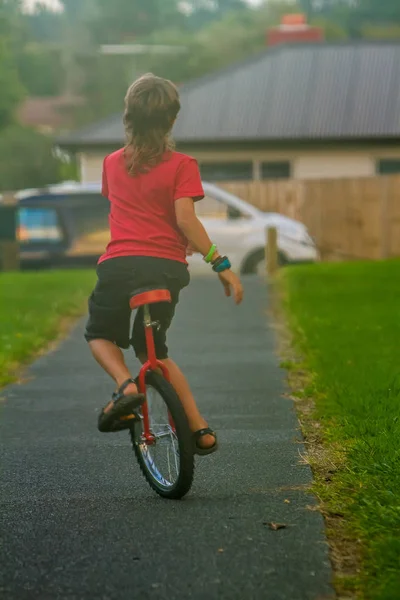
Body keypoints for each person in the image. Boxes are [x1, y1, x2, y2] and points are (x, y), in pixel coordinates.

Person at [85, 73, 243, 455]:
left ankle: (125, 387)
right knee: (153, 351)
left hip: (120, 266)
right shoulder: (183, 165)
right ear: (172, 119)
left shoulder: (110, 163)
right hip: (166, 270)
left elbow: (130, 211)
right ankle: (200, 428)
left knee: (99, 335)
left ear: (128, 118)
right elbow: (184, 220)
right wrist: (220, 263)